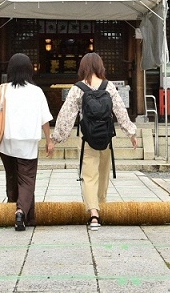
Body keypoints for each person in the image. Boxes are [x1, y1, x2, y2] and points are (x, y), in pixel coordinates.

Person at [47, 52, 137, 231]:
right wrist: (131, 133)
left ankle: (94, 214)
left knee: (89, 175)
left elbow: (66, 115)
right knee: (103, 173)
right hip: (106, 137)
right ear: (100, 66)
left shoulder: (78, 88)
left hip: (88, 138)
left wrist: (55, 138)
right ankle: (101, 205)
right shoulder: (108, 86)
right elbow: (120, 111)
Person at [0, 53, 53, 231]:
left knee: (12, 176)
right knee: (27, 179)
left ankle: (22, 213)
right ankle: (21, 212)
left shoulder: (3, 90)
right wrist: (49, 140)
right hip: (28, 142)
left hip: (6, 141)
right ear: (29, 70)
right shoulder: (36, 92)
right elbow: (45, 119)